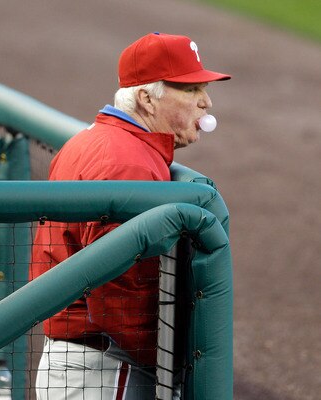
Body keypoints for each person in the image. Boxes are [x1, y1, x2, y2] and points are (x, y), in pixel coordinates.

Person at [30, 32, 230, 400]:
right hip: (103, 370)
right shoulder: (125, 163)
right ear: (145, 99)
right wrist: (167, 361)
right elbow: (119, 292)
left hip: (85, 363)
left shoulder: (100, 140)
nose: (206, 102)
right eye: (190, 90)